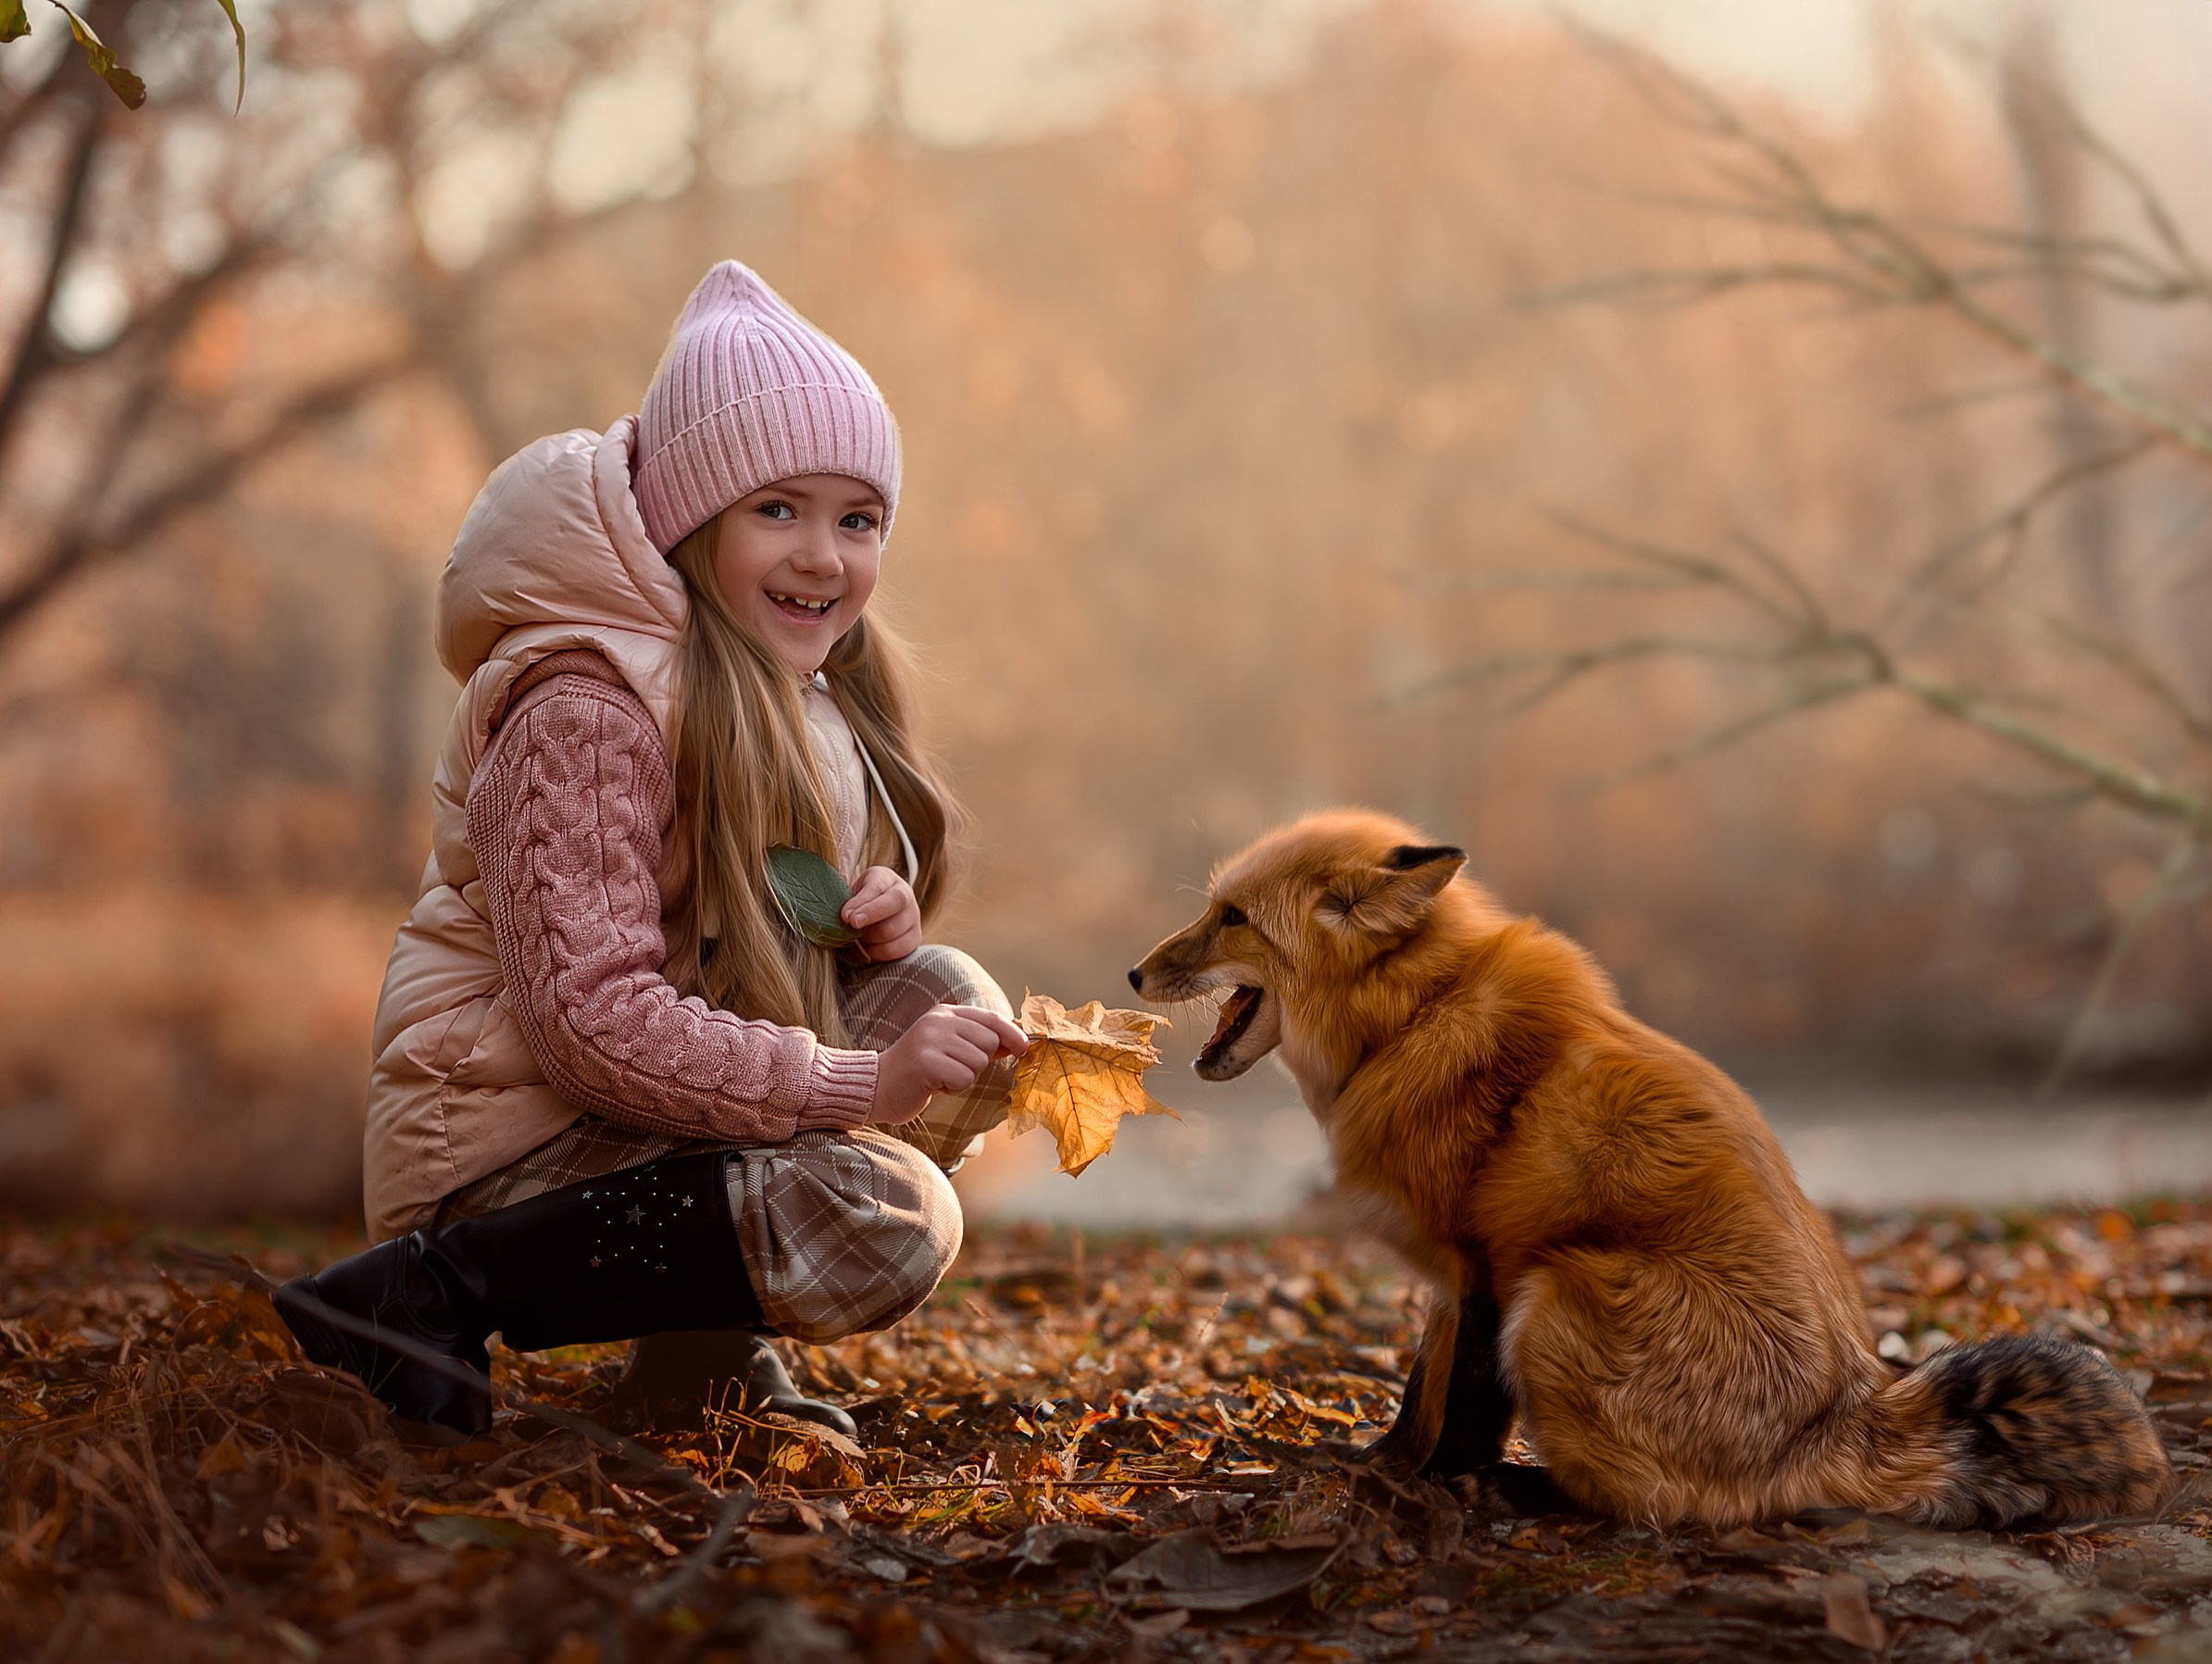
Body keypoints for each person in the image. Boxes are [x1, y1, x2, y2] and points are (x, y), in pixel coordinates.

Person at [274, 262, 1029, 1440]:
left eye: (857, 518)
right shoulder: (584, 707)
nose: (825, 557)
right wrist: (863, 1087)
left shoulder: (776, 683)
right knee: (884, 1211)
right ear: (689, 521)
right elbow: (593, 1027)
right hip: (503, 1139)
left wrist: (863, 919)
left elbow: (728, 941)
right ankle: (423, 1297)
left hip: (636, 1118)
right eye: (778, 510)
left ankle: (699, 1363)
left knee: (958, 1018)